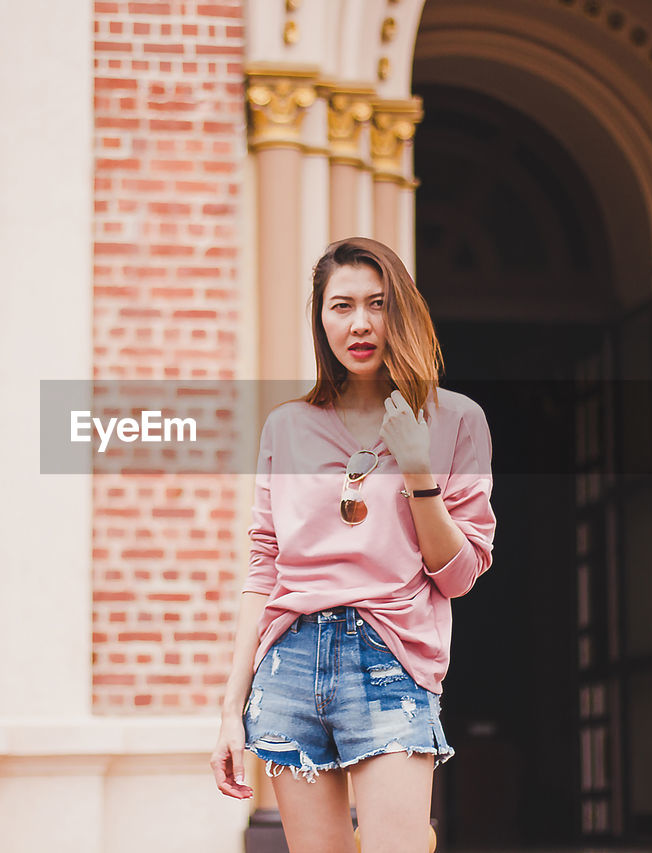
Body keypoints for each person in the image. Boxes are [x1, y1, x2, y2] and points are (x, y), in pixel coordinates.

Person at [210, 237, 497, 853]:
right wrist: (231, 707)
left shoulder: (456, 421)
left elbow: (460, 575)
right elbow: (264, 567)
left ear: (403, 313)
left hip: (390, 659)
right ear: (321, 319)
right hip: (288, 664)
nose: (360, 323)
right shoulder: (286, 426)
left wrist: (419, 473)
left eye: (378, 303)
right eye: (341, 306)